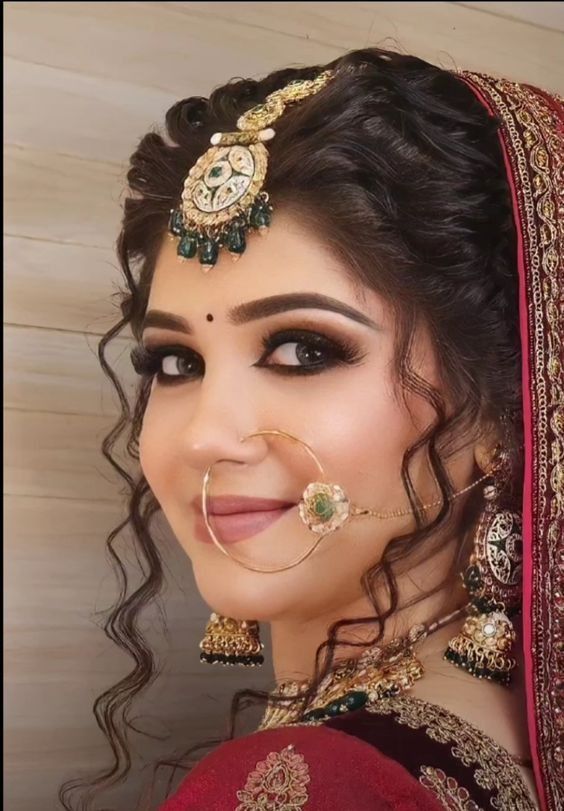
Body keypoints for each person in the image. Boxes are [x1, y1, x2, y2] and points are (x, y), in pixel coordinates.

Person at [59, 48, 562, 810]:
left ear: (501, 411)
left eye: (304, 350)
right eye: (175, 362)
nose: (204, 436)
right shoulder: (516, 729)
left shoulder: (316, 785)